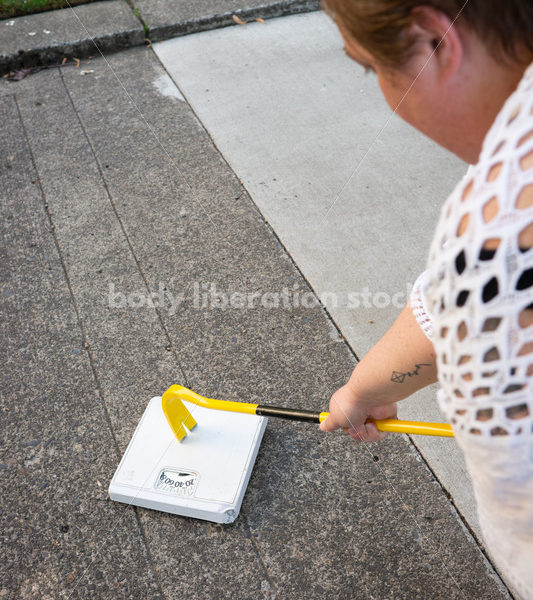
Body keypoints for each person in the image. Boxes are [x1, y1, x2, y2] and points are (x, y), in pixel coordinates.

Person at [318, 1, 533, 597]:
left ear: (435, 40)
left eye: (372, 68)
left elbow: (474, 297)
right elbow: (460, 311)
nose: (388, 94)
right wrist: (363, 391)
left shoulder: (507, 219)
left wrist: (359, 396)